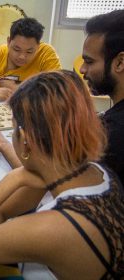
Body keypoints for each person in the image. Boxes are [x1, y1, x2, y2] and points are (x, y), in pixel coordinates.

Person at [0, 71, 124, 280]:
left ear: (24, 139)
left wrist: (13, 177)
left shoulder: (51, 228)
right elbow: (0, 212)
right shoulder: (92, 170)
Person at [79, 9, 124, 185]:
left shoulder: (114, 133)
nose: (82, 69)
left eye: (89, 61)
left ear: (120, 62)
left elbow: (66, 189)